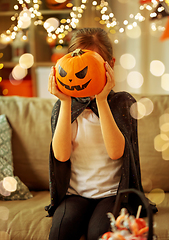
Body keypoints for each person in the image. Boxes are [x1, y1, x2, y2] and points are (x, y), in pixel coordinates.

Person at [46, 28, 157, 240]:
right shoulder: (63, 107)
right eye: (76, 63)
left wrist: (102, 100)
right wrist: (65, 101)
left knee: (99, 232)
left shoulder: (122, 103)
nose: (82, 72)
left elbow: (116, 153)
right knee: (61, 231)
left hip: (112, 195)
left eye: (91, 63)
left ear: (110, 64)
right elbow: (61, 155)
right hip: (75, 195)